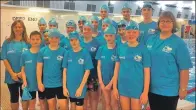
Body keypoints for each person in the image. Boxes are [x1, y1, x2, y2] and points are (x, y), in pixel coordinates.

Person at [146, 11, 193, 110]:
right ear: (158, 24)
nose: (165, 23)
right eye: (162, 21)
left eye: (168, 21)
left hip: (169, 90)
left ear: (173, 24)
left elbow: (184, 68)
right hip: (151, 88)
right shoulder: (151, 40)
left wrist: (183, 88)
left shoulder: (178, 43)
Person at [113, 23, 151, 110]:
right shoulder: (120, 48)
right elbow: (116, 69)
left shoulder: (144, 49)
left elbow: (147, 73)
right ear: (125, 33)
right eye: (129, 32)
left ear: (138, 33)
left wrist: (145, 92)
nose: (131, 34)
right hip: (123, 86)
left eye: (134, 32)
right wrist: (115, 87)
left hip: (137, 87)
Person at [37, 28, 68, 110]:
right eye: (52, 37)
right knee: (51, 106)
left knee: (64, 106)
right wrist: (39, 82)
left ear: (59, 38)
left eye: (56, 37)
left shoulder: (64, 52)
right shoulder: (42, 51)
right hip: (48, 84)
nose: (54, 39)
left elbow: (65, 70)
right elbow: (39, 68)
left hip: (60, 84)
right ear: (48, 38)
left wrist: (65, 85)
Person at [1, 20, 29, 110]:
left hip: (24, 75)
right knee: (14, 97)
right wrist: (13, 74)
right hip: (11, 76)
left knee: (24, 96)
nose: (18, 29)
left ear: (23, 29)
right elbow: (4, 59)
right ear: (12, 28)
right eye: (16, 27)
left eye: (20, 27)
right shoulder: (7, 42)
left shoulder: (27, 43)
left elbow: (30, 59)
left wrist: (22, 73)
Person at [62, 31, 94, 110]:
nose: (74, 42)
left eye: (75, 40)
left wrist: (81, 88)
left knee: (79, 107)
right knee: (72, 106)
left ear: (79, 40)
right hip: (70, 86)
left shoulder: (84, 53)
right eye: (71, 40)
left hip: (80, 85)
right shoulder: (67, 53)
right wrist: (64, 87)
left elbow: (87, 71)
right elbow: (64, 71)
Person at [20, 31, 47, 110]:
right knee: (32, 104)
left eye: (37, 39)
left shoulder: (43, 52)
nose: (35, 41)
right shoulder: (25, 54)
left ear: (41, 40)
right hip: (30, 83)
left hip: (41, 83)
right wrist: (24, 81)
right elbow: (22, 70)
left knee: (42, 102)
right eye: (33, 39)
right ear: (30, 40)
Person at [96, 24, 119, 110]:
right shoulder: (101, 48)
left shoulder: (118, 49)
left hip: (114, 82)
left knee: (114, 104)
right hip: (104, 81)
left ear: (115, 36)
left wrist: (111, 84)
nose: (108, 38)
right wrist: (101, 82)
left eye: (111, 35)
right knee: (107, 104)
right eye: (106, 35)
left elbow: (118, 69)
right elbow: (98, 66)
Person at [80, 21, 100, 110]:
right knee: (83, 96)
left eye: (88, 29)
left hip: (93, 74)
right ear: (82, 30)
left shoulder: (97, 43)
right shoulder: (79, 42)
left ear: (92, 31)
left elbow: (99, 62)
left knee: (93, 97)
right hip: (81, 74)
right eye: (85, 29)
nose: (86, 31)